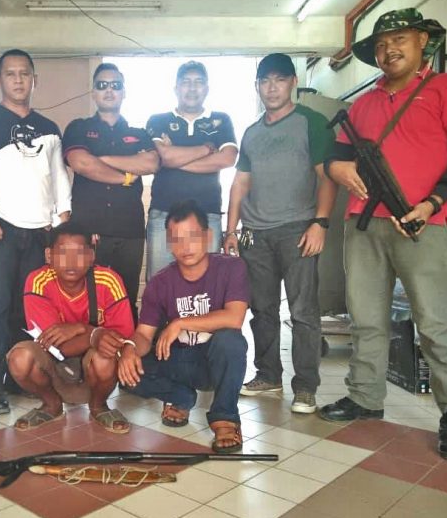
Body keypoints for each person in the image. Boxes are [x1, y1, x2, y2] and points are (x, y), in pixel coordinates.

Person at [318, 8, 447, 462]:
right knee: (365, 317)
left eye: (399, 39)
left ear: (423, 41)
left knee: (437, 321)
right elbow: (335, 158)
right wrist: (339, 169)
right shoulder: (362, 105)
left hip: (423, 223)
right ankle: (365, 395)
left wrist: (433, 202)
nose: (388, 49)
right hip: (363, 223)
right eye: (380, 44)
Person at [224, 53, 336, 414]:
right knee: (262, 310)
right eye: (265, 81)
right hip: (255, 234)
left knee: (303, 311)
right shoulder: (252, 133)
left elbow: (326, 177)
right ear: (257, 86)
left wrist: (320, 223)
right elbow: (240, 183)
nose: (271, 88)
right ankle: (268, 374)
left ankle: (305, 387)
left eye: (280, 80)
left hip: (298, 230)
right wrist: (230, 230)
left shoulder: (312, 122)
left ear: (293, 83)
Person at [0, 49, 72, 415]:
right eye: (11, 74)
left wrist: (63, 225)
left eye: (24, 73)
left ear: (34, 79)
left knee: (29, 313)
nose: (18, 80)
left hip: (40, 233)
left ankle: (19, 376)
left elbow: (59, 178)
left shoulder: (49, 128)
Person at [118, 200, 250, 453]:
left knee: (231, 341)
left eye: (192, 236)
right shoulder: (160, 282)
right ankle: (180, 396)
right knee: (126, 370)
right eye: (176, 239)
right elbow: (144, 334)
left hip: (214, 361)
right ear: (168, 243)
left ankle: (225, 417)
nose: (185, 246)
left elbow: (235, 318)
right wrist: (129, 349)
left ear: (208, 236)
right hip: (178, 360)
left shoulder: (232, 267)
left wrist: (180, 323)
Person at [7, 221, 134, 433]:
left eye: (80, 253)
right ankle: (51, 405)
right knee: (19, 359)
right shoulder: (38, 281)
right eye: (63, 253)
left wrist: (80, 329)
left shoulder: (108, 280)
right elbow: (55, 347)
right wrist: (94, 334)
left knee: (106, 355)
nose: (71, 262)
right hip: (53, 369)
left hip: (95, 372)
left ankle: (99, 406)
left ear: (91, 256)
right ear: (49, 256)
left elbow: (121, 338)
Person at [63, 63, 159, 319]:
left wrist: (100, 159)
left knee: (125, 300)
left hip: (129, 230)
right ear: (93, 92)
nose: (109, 90)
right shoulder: (78, 127)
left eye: (115, 85)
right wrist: (127, 175)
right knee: (87, 301)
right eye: (102, 85)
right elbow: (81, 163)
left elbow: (150, 163)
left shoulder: (138, 134)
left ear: (124, 92)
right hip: (88, 231)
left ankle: (126, 345)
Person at [145, 61, 238, 279]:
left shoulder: (220, 120)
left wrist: (174, 158)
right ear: (176, 88)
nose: (192, 88)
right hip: (163, 216)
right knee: (160, 283)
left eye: (198, 82)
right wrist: (206, 149)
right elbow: (164, 156)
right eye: (186, 82)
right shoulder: (158, 120)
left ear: (207, 88)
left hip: (208, 215)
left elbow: (228, 158)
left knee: (206, 287)